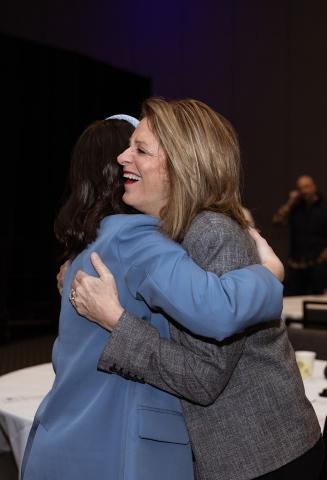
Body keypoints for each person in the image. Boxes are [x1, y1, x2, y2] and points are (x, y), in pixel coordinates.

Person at [70, 99, 324, 480]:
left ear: (182, 166)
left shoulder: (212, 233)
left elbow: (202, 379)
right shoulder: (173, 233)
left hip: (263, 458)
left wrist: (116, 321)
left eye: (140, 149)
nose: (122, 157)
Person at [21, 114, 284, 480]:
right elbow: (218, 308)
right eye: (132, 148)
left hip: (65, 438)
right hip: (118, 450)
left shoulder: (94, 248)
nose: (127, 158)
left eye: (140, 150)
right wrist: (270, 277)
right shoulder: (139, 240)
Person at [273, 174, 327, 295]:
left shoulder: (324, 207)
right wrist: (291, 201)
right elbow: (277, 220)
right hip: (296, 265)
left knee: (318, 300)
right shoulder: (295, 207)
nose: (304, 191)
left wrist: (323, 256)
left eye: (306, 187)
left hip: (318, 264)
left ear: (314, 187)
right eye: (301, 188)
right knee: (293, 300)